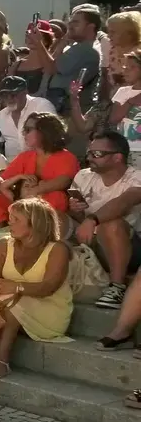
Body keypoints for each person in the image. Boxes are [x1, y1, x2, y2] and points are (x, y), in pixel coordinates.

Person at [0, 198, 73, 379]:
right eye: (10, 217)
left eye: (16, 219)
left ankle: (1, 361)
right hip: (12, 300)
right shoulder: (4, 244)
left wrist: (16, 287)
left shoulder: (58, 249)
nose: (9, 222)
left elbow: (48, 288)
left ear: (35, 224)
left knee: (13, 306)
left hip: (49, 309)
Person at [67, 131, 141, 310]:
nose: (89, 157)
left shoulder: (136, 177)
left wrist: (93, 219)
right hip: (91, 241)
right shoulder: (83, 175)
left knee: (111, 225)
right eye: (89, 153)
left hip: (129, 247)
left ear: (117, 158)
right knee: (55, 218)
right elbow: (78, 219)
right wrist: (76, 211)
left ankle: (116, 287)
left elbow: (124, 202)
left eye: (97, 154)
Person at [0, 112, 79, 232]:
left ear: (45, 131)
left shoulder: (66, 157)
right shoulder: (25, 156)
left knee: (54, 196)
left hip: (51, 207)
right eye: (23, 130)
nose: (24, 134)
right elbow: (4, 177)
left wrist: (33, 192)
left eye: (28, 130)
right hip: (22, 201)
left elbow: (63, 181)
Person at [0, 76, 56, 160]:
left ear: (25, 92)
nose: (9, 99)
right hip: (12, 166)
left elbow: (53, 138)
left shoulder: (42, 106)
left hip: (42, 162)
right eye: (5, 95)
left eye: (13, 95)